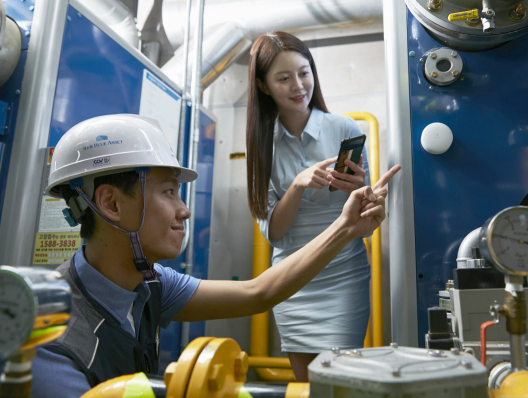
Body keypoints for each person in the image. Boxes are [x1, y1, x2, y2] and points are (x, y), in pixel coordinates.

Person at [29, 114, 398, 398]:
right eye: (170, 192)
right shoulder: (50, 343)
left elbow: (259, 293)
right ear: (111, 203)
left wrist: (347, 228)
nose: (184, 211)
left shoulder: (150, 283)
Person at [245, 31, 386, 381]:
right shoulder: (261, 145)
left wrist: (367, 195)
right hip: (292, 279)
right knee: (306, 384)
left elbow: (363, 218)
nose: (298, 85)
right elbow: (275, 234)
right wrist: (297, 183)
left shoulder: (344, 128)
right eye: (283, 78)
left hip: (344, 273)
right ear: (264, 86)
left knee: (342, 379)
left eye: (304, 72)